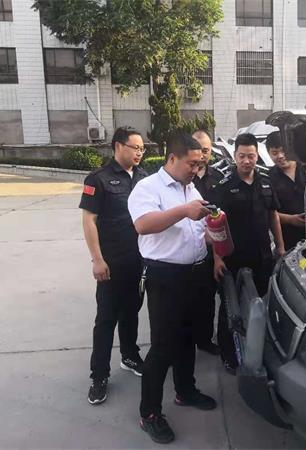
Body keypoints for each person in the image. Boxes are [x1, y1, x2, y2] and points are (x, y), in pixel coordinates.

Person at [128, 132, 216, 444]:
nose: (196, 169)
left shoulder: (191, 188)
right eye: (191, 163)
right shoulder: (147, 187)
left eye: (200, 163)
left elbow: (197, 230)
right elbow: (143, 225)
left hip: (195, 273)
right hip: (165, 277)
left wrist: (214, 231)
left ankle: (185, 390)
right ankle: (149, 413)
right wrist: (183, 211)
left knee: (188, 338)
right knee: (163, 346)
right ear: (172, 158)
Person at [79, 126, 148, 405]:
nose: (140, 153)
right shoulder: (98, 179)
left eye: (142, 149)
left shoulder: (143, 178)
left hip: (138, 262)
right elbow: (89, 220)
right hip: (111, 263)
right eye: (135, 148)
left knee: (131, 312)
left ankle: (129, 356)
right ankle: (99, 376)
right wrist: (97, 259)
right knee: (106, 319)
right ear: (119, 146)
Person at [208, 132, 285, 373]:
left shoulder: (266, 182)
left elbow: (273, 216)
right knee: (230, 309)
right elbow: (214, 225)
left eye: (251, 156)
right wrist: (217, 258)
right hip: (233, 258)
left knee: (261, 304)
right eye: (242, 156)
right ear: (235, 156)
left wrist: (281, 247)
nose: (246, 161)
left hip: (262, 256)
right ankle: (229, 354)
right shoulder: (224, 186)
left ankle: (257, 349)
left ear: (257, 156)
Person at [191, 129, 223, 355]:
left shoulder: (219, 178)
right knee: (184, 300)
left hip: (211, 249)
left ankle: (204, 339)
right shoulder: (182, 176)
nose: (203, 155)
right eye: (199, 150)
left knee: (207, 297)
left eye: (206, 150)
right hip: (186, 248)